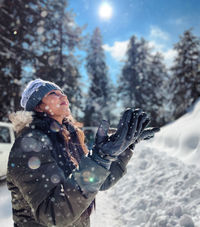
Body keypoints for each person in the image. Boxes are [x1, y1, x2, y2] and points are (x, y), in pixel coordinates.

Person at [7, 78, 159, 227]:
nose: (63, 96)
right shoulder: (28, 145)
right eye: (53, 93)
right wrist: (99, 158)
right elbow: (53, 213)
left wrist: (126, 147)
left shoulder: (69, 137)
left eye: (62, 92)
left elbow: (99, 181)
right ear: (38, 107)